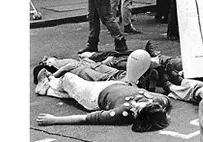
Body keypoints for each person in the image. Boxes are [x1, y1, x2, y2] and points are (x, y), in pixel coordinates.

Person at [32, 54, 171, 129]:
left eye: (135, 111)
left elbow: (85, 119)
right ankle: (53, 82)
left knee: (68, 78)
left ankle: (49, 82)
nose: (135, 105)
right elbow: (166, 101)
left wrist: (54, 120)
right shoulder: (159, 101)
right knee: (83, 73)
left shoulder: (122, 113)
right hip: (116, 84)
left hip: (94, 95)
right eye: (140, 105)